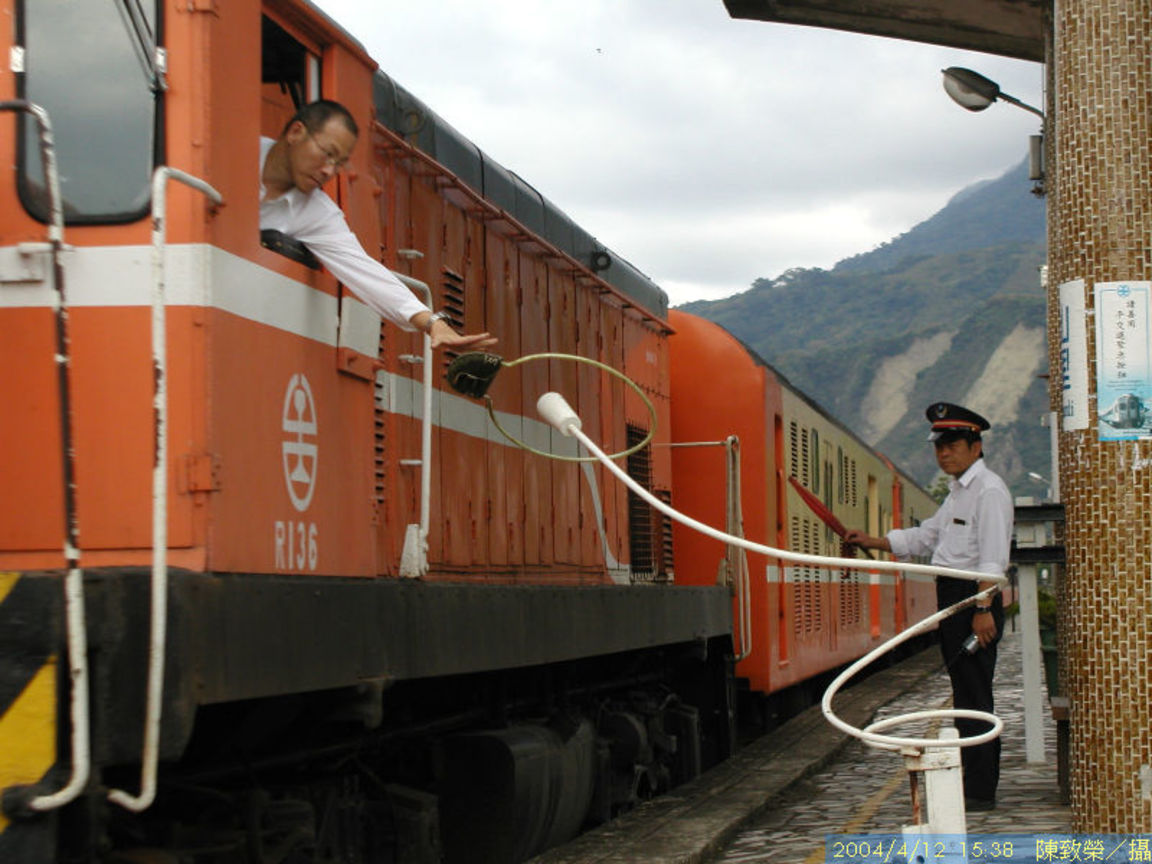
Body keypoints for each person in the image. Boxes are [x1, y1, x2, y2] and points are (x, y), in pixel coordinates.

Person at [844, 402, 1013, 812]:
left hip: (972, 599)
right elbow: (926, 537)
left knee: (975, 695)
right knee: (964, 694)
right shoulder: (958, 494)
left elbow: (992, 559)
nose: (944, 453)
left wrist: (983, 608)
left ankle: (980, 790)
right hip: (954, 599)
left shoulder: (989, 491)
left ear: (976, 446)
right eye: (939, 446)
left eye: (953, 444)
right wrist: (874, 541)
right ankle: (973, 783)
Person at [260, 100, 496, 351]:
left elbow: (366, 271)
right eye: (327, 153)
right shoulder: (233, 152)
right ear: (296, 132)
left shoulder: (316, 212)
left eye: (339, 163)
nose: (329, 170)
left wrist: (433, 323)